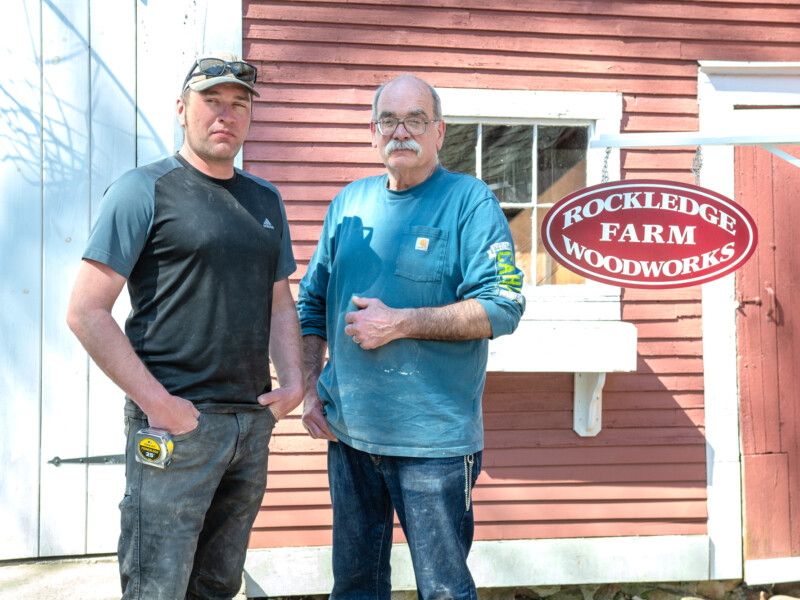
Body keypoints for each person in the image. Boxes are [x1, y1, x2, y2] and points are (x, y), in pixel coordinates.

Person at [66, 50, 303, 600]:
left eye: (239, 104)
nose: (226, 115)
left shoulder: (264, 199)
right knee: (158, 586)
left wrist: (294, 383)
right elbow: (86, 311)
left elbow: (279, 303)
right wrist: (160, 404)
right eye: (211, 101)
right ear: (181, 109)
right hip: (175, 429)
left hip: (250, 425)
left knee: (218, 584)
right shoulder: (143, 189)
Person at [297, 73, 526, 600]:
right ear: (373, 133)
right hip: (350, 437)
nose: (402, 132)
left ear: (439, 132)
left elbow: (504, 305)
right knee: (354, 586)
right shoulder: (349, 203)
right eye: (389, 121)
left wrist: (401, 321)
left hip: (435, 446)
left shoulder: (470, 202)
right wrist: (311, 387)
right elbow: (311, 303)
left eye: (416, 120)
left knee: (443, 590)